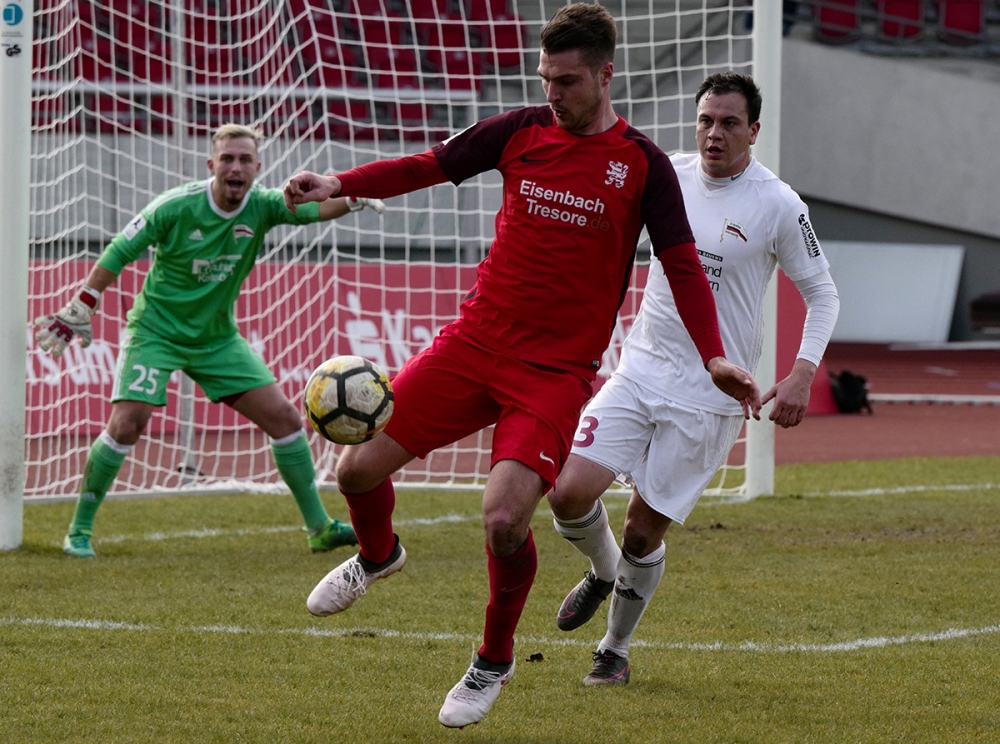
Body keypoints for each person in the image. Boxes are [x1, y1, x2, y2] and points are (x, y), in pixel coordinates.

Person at [283, 5, 760, 729]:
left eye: (567, 81)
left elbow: (684, 266)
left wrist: (715, 354)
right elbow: (427, 166)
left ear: (605, 74)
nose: (553, 93)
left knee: (505, 519)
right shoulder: (518, 131)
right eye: (545, 79)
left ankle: (492, 660)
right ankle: (378, 557)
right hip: (473, 343)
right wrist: (339, 182)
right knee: (355, 472)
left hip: (553, 372)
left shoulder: (642, 165)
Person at [547, 71, 841, 686]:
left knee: (641, 530)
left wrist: (801, 372)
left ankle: (614, 649)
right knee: (568, 494)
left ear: (753, 131)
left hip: (712, 394)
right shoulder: (668, 175)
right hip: (640, 369)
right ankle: (602, 572)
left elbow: (823, 294)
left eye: (729, 123)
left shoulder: (779, 204)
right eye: (706, 120)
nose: (714, 134)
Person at [33, 123, 386, 559]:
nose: (235, 167)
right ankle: (79, 531)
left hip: (217, 339)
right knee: (127, 424)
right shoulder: (176, 206)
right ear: (211, 165)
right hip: (156, 332)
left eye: (245, 160)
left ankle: (319, 528)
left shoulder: (262, 206)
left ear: (257, 168)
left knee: (285, 420)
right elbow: (121, 249)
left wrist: (352, 199)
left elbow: (312, 210)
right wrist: (84, 302)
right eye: (227, 159)